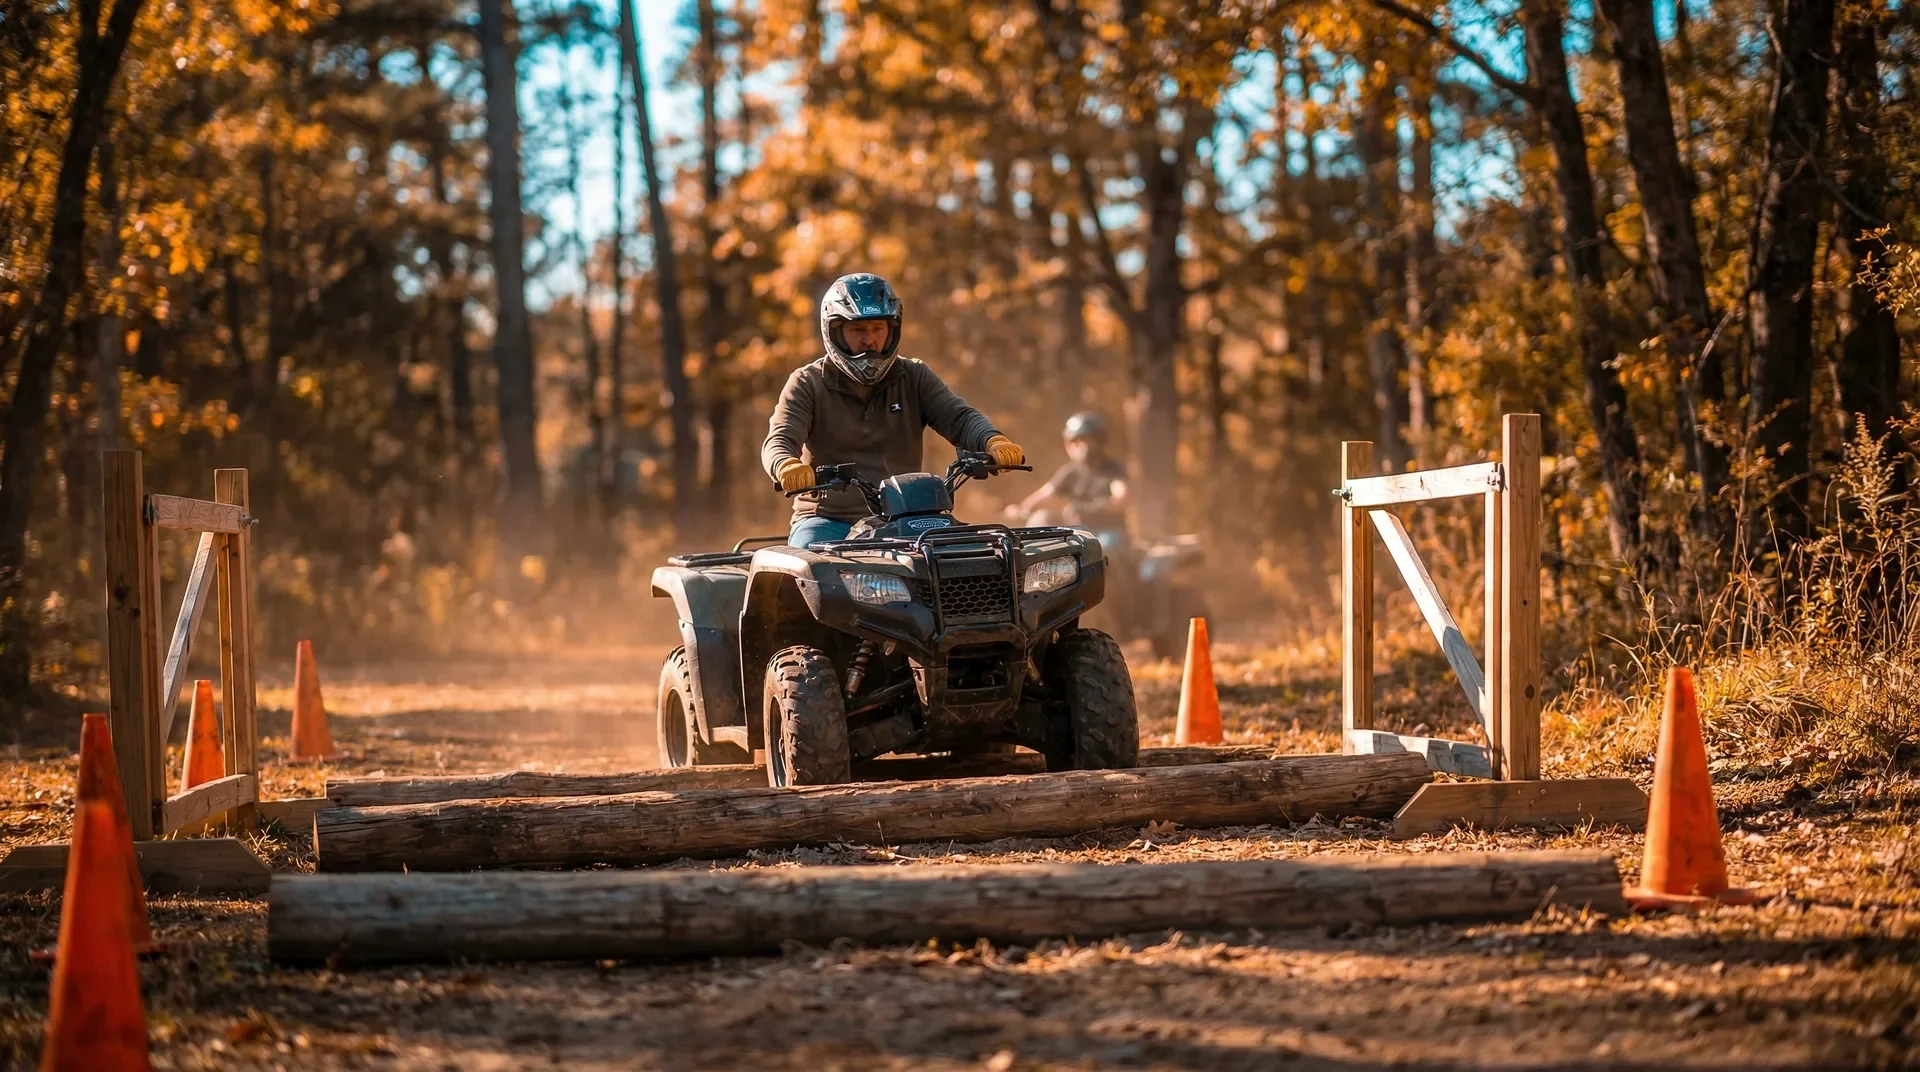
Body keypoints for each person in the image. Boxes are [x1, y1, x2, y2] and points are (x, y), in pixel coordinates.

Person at [763, 273, 1025, 547]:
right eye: (858, 330)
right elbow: (779, 439)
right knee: (809, 567)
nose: (870, 340)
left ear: (893, 330)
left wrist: (992, 440)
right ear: (835, 331)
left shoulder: (914, 376)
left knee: (972, 561)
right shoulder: (807, 382)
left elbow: (959, 417)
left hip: (905, 517)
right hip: (829, 520)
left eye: (878, 329)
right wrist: (786, 464)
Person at [1010, 411, 1130, 543]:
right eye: (1076, 441)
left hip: (1107, 530)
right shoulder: (1070, 471)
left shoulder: (1113, 469)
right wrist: (1022, 510)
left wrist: (1087, 510)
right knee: (1041, 519)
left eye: (1086, 440)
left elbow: (1120, 500)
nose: (1081, 446)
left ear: (1100, 441)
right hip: (1078, 532)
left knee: (1107, 547)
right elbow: (1046, 494)